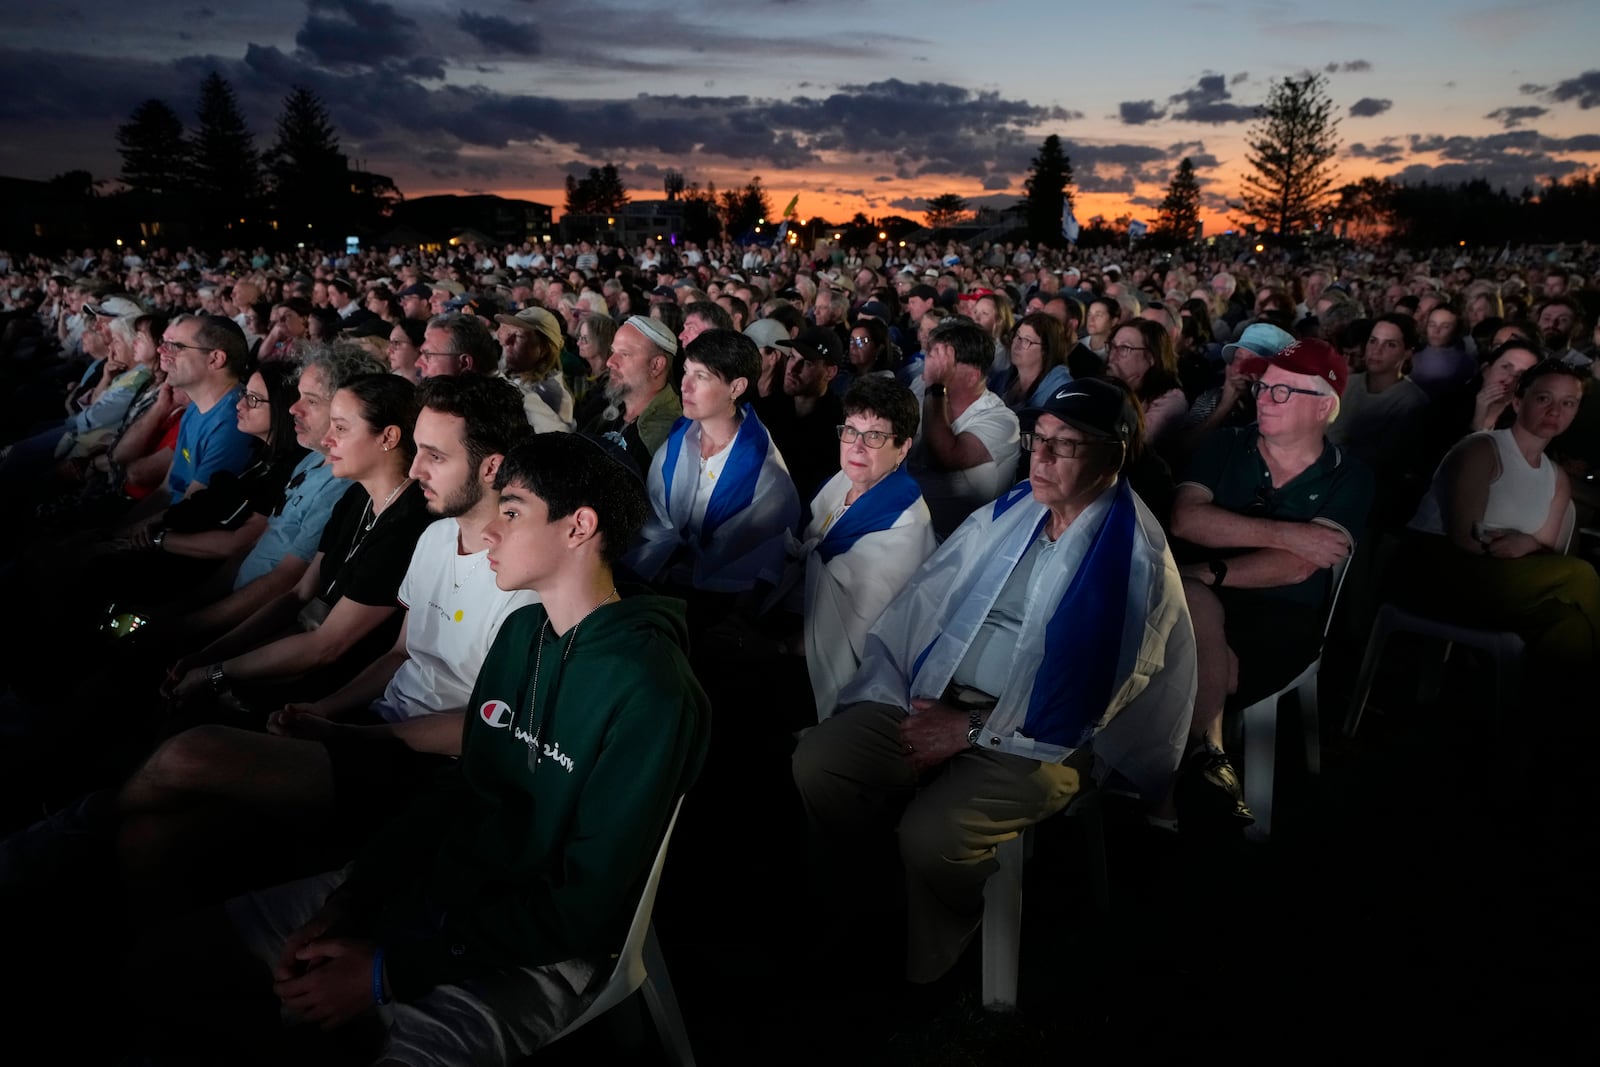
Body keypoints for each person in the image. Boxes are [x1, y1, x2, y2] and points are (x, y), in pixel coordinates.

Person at [125, 432, 711, 1066]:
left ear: (579, 528)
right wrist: (356, 896)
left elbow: (583, 906)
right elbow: (462, 787)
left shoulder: (651, 689)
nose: (490, 532)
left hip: (530, 952)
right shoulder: (523, 632)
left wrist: (387, 972)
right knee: (160, 963)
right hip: (432, 892)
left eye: (511, 512)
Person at [793, 376, 1195, 986]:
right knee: (820, 759)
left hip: (1048, 739)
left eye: (1068, 445)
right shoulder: (1017, 511)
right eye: (1039, 440)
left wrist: (969, 729)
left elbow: (1093, 698)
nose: (1042, 456)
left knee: (933, 834)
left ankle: (933, 954)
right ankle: (877, 892)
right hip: (943, 696)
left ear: (1114, 455)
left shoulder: (1132, 558)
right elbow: (935, 597)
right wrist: (913, 688)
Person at [112, 374, 538, 909]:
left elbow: (484, 729)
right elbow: (400, 653)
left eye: (434, 456)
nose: (414, 469)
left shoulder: (528, 580)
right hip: (370, 727)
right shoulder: (434, 536)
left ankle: (69, 832)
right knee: (154, 835)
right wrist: (322, 711)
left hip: (425, 771)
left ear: (492, 466)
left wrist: (341, 734)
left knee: (187, 754)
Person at [1168, 338, 1374, 825]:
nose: (1262, 397)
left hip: (1282, 612)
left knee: (1189, 649)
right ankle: (1198, 772)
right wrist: (1289, 533)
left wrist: (1209, 568)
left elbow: (1300, 565)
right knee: (1195, 636)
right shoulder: (1226, 443)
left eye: (1282, 391)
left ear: (1324, 405)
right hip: (1192, 595)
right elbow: (1185, 520)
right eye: (1263, 387)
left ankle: (1164, 781)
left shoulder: (1351, 477)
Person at [164, 374, 432, 713]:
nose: (328, 439)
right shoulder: (355, 498)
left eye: (341, 428)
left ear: (388, 437)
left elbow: (328, 646)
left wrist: (215, 673)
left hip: (338, 687)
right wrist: (210, 654)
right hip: (299, 650)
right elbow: (298, 595)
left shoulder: (410, 524)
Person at [1399, 360, 1597, 675]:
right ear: (1519, 401)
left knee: (1568, 624)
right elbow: (1465, 537)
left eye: (1568, 403)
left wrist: (1528, 544)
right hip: (1437, 568)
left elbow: (1543, 551)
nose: (1555, 410)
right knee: (1580, 574)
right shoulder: (1481, 449)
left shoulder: (1555, 477)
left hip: (1501, 581)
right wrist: (1525, 548)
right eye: (1544, 398)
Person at [776, 375, 936, 719]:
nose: (856, 447)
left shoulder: (905, 527)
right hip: (793, 620)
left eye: (875, 435)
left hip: (833, 663)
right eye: (850, 430)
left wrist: (776, 645)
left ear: (904, 447)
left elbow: (858, 636)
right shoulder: (841, 482)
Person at [626, 328, 800, 600]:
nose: (684, 385)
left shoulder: (765, 475)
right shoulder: (679, 439)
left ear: (736, 387)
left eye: (701, 376)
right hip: (660, 582)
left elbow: (749, 561)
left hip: (718, 601)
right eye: (685, 371)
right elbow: (655, 519)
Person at [906, 317, 1021, 539]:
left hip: (956, 542)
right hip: (908, 527)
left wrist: (937, 386)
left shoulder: (1003, 421)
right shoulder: (923, 394)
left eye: (941, 361)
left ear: (972, 376)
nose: (929, 366)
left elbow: (944, 455)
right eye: (932, 355)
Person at [581, 314, 682, 476]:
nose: (610, 362)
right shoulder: (606, 404)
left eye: (624, 354)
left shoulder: (667, 436)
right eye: (613, 351)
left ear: (656, 365)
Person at [1105, 317, 1188, 454]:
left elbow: (1135, 443)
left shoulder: (1172, 399)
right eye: (1112, 346)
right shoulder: (1102, 382)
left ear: (1151, 358)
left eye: (1124, 348)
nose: (1113, 355)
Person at [1000, 312, 1071, 414]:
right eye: (1017, 336)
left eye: (1027, 340)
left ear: (1046, 351)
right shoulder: (1004, 377)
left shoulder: (1060, 389)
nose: (1017, 344)